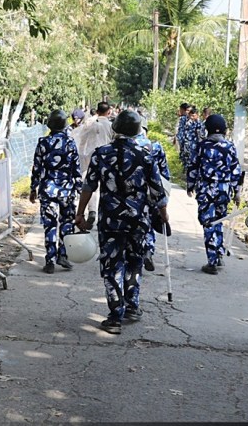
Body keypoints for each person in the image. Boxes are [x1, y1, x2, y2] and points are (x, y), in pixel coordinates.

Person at [75, 110, 169, 335]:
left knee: (112, 264)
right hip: (139, 221)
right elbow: (157, 190)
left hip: (111, 221)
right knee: (135, 261)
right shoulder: (145, 154)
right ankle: (132, 306)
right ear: (138, 130)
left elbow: (89, 186)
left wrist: (80, 213)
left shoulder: (101, 153)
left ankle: (115, 315)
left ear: (114, 129)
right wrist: (164, 214)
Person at [187, 114, 242, 275]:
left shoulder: (201, 146)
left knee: (208, 223)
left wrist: (190, 185)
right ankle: (218, 254)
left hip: (206, 190)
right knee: (219, 221)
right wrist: (237, 192)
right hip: (224, 191)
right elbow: (235, 171)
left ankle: (212, 261)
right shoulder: (230, 147)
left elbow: (193, 166)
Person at [30, 110, 82, 274]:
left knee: (49, 225)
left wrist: (33, 188)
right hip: (66, 191)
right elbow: (76, 170)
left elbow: (36, 168)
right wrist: (80, 190)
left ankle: (50, 259)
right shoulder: (70, 143)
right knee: (67, 224)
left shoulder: (43, 143)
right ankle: (63, 255)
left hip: (47, 190)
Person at [135, 122, 171, 273]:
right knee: (149, 221)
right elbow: (165, 174)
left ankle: (135, 251)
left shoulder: (125, 146)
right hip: (152, 191)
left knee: (135, 222)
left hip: (133, 193)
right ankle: (148, 250)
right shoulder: (155, 147)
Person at [75, 101, 114, 228]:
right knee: (104, 185)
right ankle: (104, 213)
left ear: (97, 111)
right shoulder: (111, 126)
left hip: (89, 157)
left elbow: (82, 141)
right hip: (107, 158)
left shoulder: (89, 124)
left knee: (89, 184)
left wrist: (82, 155)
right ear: (109, 112)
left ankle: (92, 210)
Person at [179, 106, 204, 190]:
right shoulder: (188, 123)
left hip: (196, 148)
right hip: (188, 146)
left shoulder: (200, 124)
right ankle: (189, 181)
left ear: (197, 115)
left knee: (196, 164)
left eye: (193, 116)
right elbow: (184, 134)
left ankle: (195, 182)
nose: (191, 118)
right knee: (188, 163)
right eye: (190, 116)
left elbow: (201, 136)